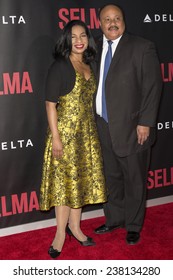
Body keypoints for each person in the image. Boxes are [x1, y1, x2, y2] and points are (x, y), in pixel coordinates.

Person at [94, 3, 162, 244]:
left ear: (124, 20)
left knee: (134, 178)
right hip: (102, 125)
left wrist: (145, 122)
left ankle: (133, 225)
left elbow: (153, 88)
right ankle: (114, 219)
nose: (112, 23)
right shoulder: (93, 46)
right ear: (99, 23)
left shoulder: (142, 47)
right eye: (107, 19)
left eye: (117, 18)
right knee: (111, 177)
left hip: (134, 127)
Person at [39, 20, 107, 258]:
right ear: (67, 40)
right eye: (74, 36)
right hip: (65, 135)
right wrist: (56, 138)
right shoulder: (60, 66)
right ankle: (60, 233)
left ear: (88, 39)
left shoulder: (90, 63)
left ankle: (76, 228)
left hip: (87, 136)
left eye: (84, 36)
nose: (79, 40)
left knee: (81, 184)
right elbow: (50, 105)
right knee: (63, 187)